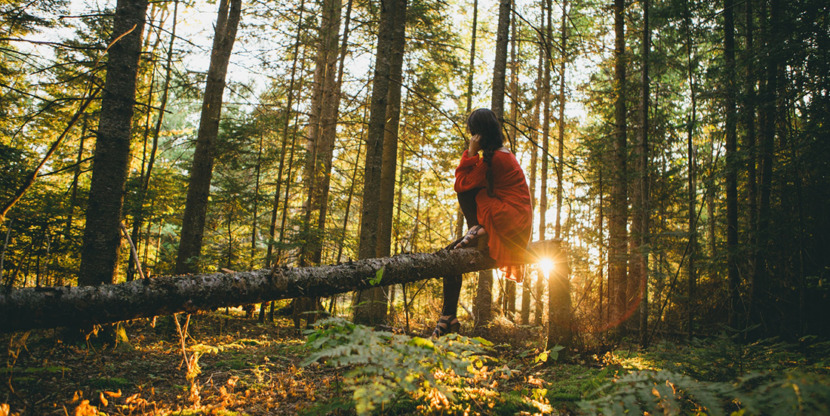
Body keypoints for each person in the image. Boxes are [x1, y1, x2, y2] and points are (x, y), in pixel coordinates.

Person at [432, 108, 533, 337]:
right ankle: (448, 317)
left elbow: (460, 183)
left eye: (473, 133)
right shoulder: (499, 154)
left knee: (466, 192)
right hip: (510, 219)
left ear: (479, 134)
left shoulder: (496, 158)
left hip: (508, 220)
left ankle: (478, 230)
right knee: (451, 253)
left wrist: (470, 151)